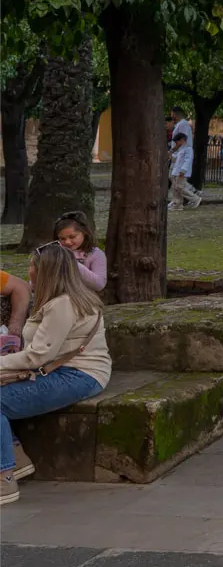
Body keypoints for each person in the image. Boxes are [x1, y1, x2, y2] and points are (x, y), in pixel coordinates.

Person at [0, 242, 111, 505]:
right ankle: (16, 456)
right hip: (68, 371)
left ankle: (4, 479)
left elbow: (38, 355)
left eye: (31, 266)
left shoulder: (62, 305)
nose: (28, 272)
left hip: (77, 375)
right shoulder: (64, 299)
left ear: (47, 272)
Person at [53, 213, 106, 293]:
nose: (67, 242)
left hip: (84, 300)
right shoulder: (55, 254)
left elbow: (99, 284)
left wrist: (72, 261)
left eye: (72, 237)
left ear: (84, 232)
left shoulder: (96, 254)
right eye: (62, 239)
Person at [167, 130, 201, 210]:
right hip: (176, 172)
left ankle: (195, 199)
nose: (176, 144)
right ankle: (177, 204)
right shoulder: (181, 150)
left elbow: (187, 160)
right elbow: (176, 160)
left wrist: (183, 170)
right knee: (175, 188)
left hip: (181, 172)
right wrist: (171, 155)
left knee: (180, 187)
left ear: (182, 140)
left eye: (177, 142)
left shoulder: (188, 149)